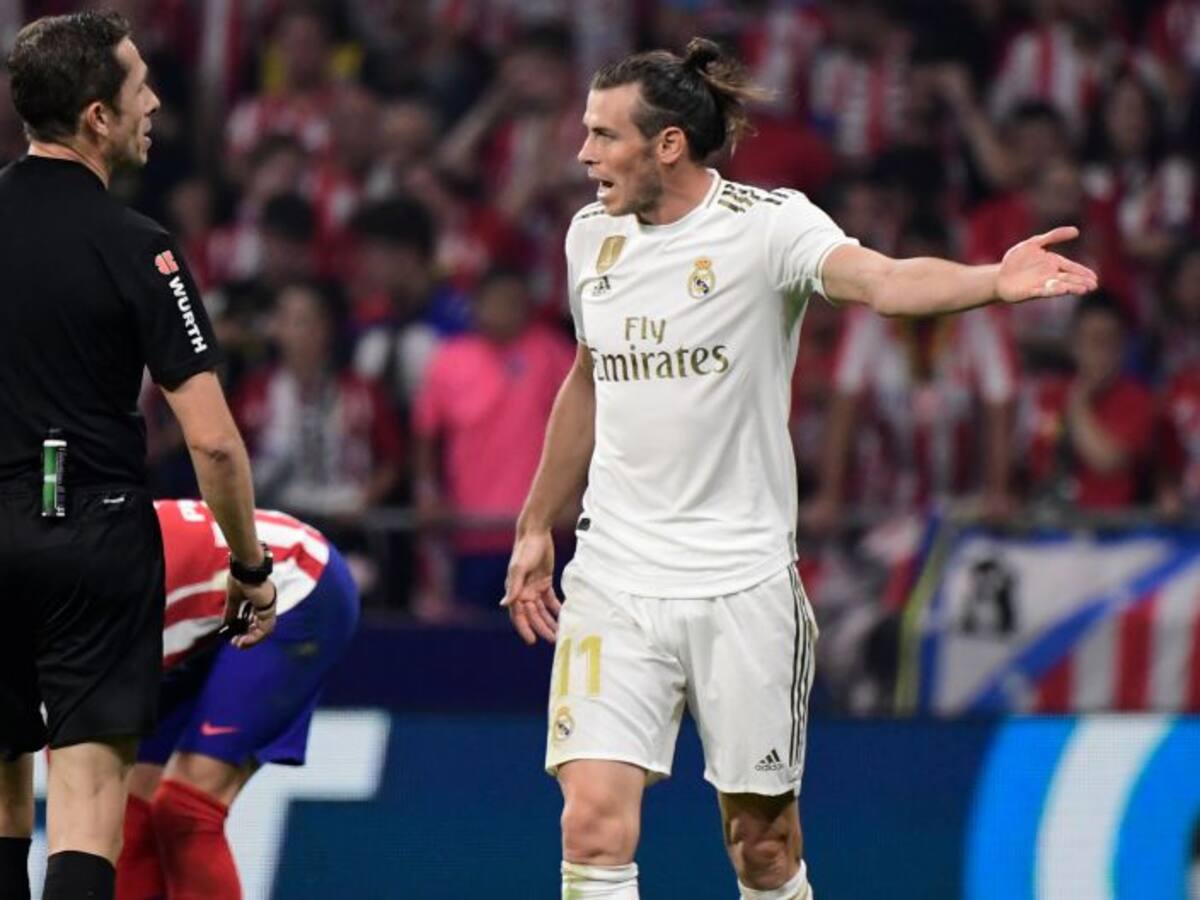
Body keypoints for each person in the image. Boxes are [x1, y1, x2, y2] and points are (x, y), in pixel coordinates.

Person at [501, 37, 1097, 900]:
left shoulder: (767, 226)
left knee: (762, 846)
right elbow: (590, 378)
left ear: (667, 144)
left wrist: (991, 283)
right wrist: (534, 525)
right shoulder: (591, 236)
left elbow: (882, 281)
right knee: (591, 823)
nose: (584, 154)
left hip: (743, 581)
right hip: (615, 574)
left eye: (603, 135)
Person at [0, 13, 276, 900]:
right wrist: (248, 565)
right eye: (139, 86)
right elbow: (214, 442)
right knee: (86, 807)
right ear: (98, 118)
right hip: (97, 536)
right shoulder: (141, 248)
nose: (155, 101)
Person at [115, 500, 359, 900]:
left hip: (292, 584)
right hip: (191, 602)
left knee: (186, 808)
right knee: (125, 811)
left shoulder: (78, 607)